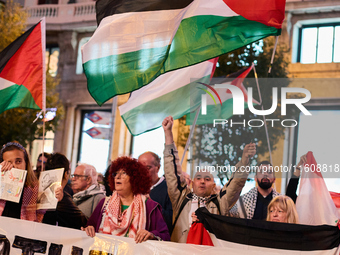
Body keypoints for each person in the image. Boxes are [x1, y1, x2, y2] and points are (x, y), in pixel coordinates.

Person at [162, 116, 256, 243]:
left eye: (207, 179)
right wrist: (168, 134)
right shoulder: (181, 199)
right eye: (198, 178)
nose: (202, 181)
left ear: (213, 185)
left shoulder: (219, 203)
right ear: (192, 183)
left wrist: (245, 160)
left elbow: (235, 184)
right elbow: (172, 173)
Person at [82, 156, 170, 243]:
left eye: (124, 173)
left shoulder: (150, 206)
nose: (117, 177)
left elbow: (165, 236)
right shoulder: (104, 203)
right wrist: (89, 229)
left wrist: (151, 235)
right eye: (115, 173)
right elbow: (89, 227)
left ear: (135, 178)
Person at [0, 142, 46, 221]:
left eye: (18, 161)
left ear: (26, 163)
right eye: (9, 162)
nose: (14, 166)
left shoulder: (34, 187)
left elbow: (40, 213)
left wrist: (55, 198)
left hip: (24, 230)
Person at [43, 153, 88, 229]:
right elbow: (83, 221)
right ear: (66, 174)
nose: (73, 178)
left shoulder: (38, 192)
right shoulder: (62, 197)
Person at [138, 151, 173, 234]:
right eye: (140, 168)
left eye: (147, 168)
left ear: (158, 167)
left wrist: (152, 204)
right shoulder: (134, 188)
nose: (142, 172)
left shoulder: (168, 189)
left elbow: (171, 220)